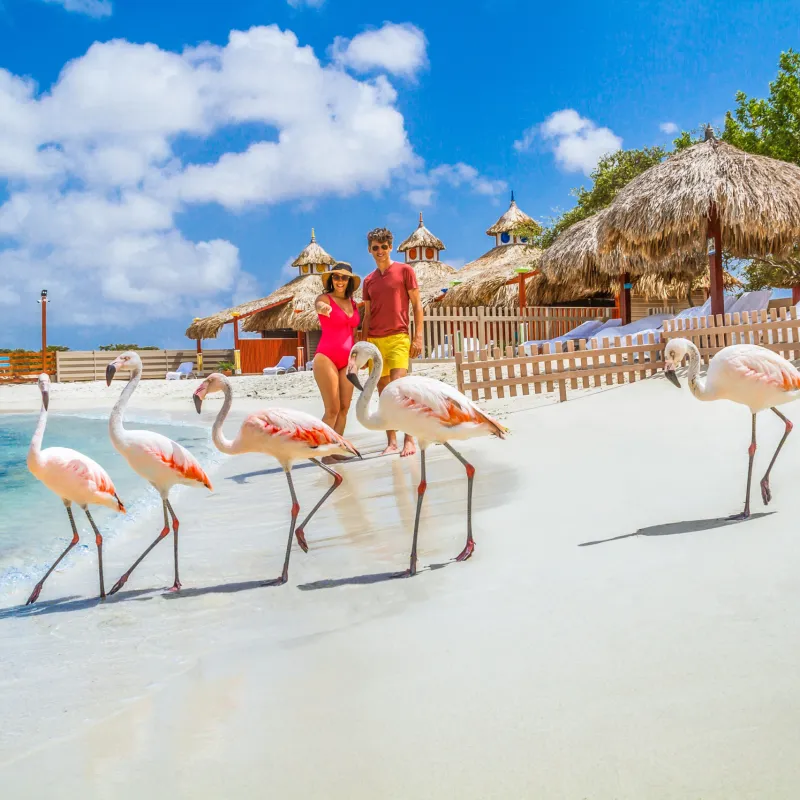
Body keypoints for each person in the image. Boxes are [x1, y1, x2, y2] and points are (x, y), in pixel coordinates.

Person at [360, 227, 424, 457]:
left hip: (399, 337)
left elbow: (417, 306)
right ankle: (391, 442)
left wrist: (417, 337)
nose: (380, 251)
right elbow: (366, 316)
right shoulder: (368, 281)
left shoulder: (405, 271)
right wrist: (363, 348)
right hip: (375, 341)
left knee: (400, 388)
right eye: (375, 248)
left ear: (390, 247)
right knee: (383, 390)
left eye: (384, 247)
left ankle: (409, 438)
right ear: (369, 250)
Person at [313, 262, 361, 449]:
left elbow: (354, 333)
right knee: (332, 409)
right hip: (326, 357)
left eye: (344, 277)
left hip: (350, 360)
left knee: (344, 408)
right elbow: (318, 306)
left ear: (349, 281)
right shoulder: (324, 298)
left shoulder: (354, 303)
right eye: (336, 277)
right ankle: (319, 450)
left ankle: (334, 449)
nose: (340, 280)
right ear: (331, 279)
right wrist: (323, 309)